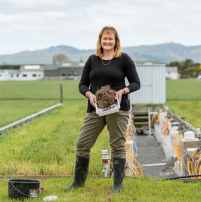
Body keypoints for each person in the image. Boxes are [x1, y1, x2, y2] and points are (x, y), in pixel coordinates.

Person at [63, 26, 140, 194]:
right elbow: (82, 85)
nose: (107, 41)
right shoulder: (92, 60)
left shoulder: (124, 59)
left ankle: (117, 186)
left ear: (116, 41)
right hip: (95, 109)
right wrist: (89, 94)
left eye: (110, 39)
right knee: (82, 143)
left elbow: (136, 83)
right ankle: (78, 183)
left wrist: (123, 91)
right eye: (104, 39)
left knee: (117, 145)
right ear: (100, 40)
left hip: (117, 109)